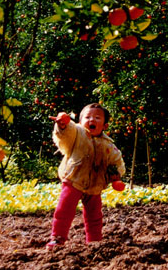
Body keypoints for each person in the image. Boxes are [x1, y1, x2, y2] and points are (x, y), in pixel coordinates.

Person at [46, 103, 125, 249]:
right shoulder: (77, 133)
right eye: (87, 117)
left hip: (95, 184)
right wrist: (64, 125)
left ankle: (94, 241)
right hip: (74, 179)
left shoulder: (108, 145)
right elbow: (67, 134)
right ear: (80, 122)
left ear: (105, 125)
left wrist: (116, 177)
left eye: (97, 117)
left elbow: (116, 162)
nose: (91, 120)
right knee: (64, 210)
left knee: (94, 216)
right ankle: (57, 238)